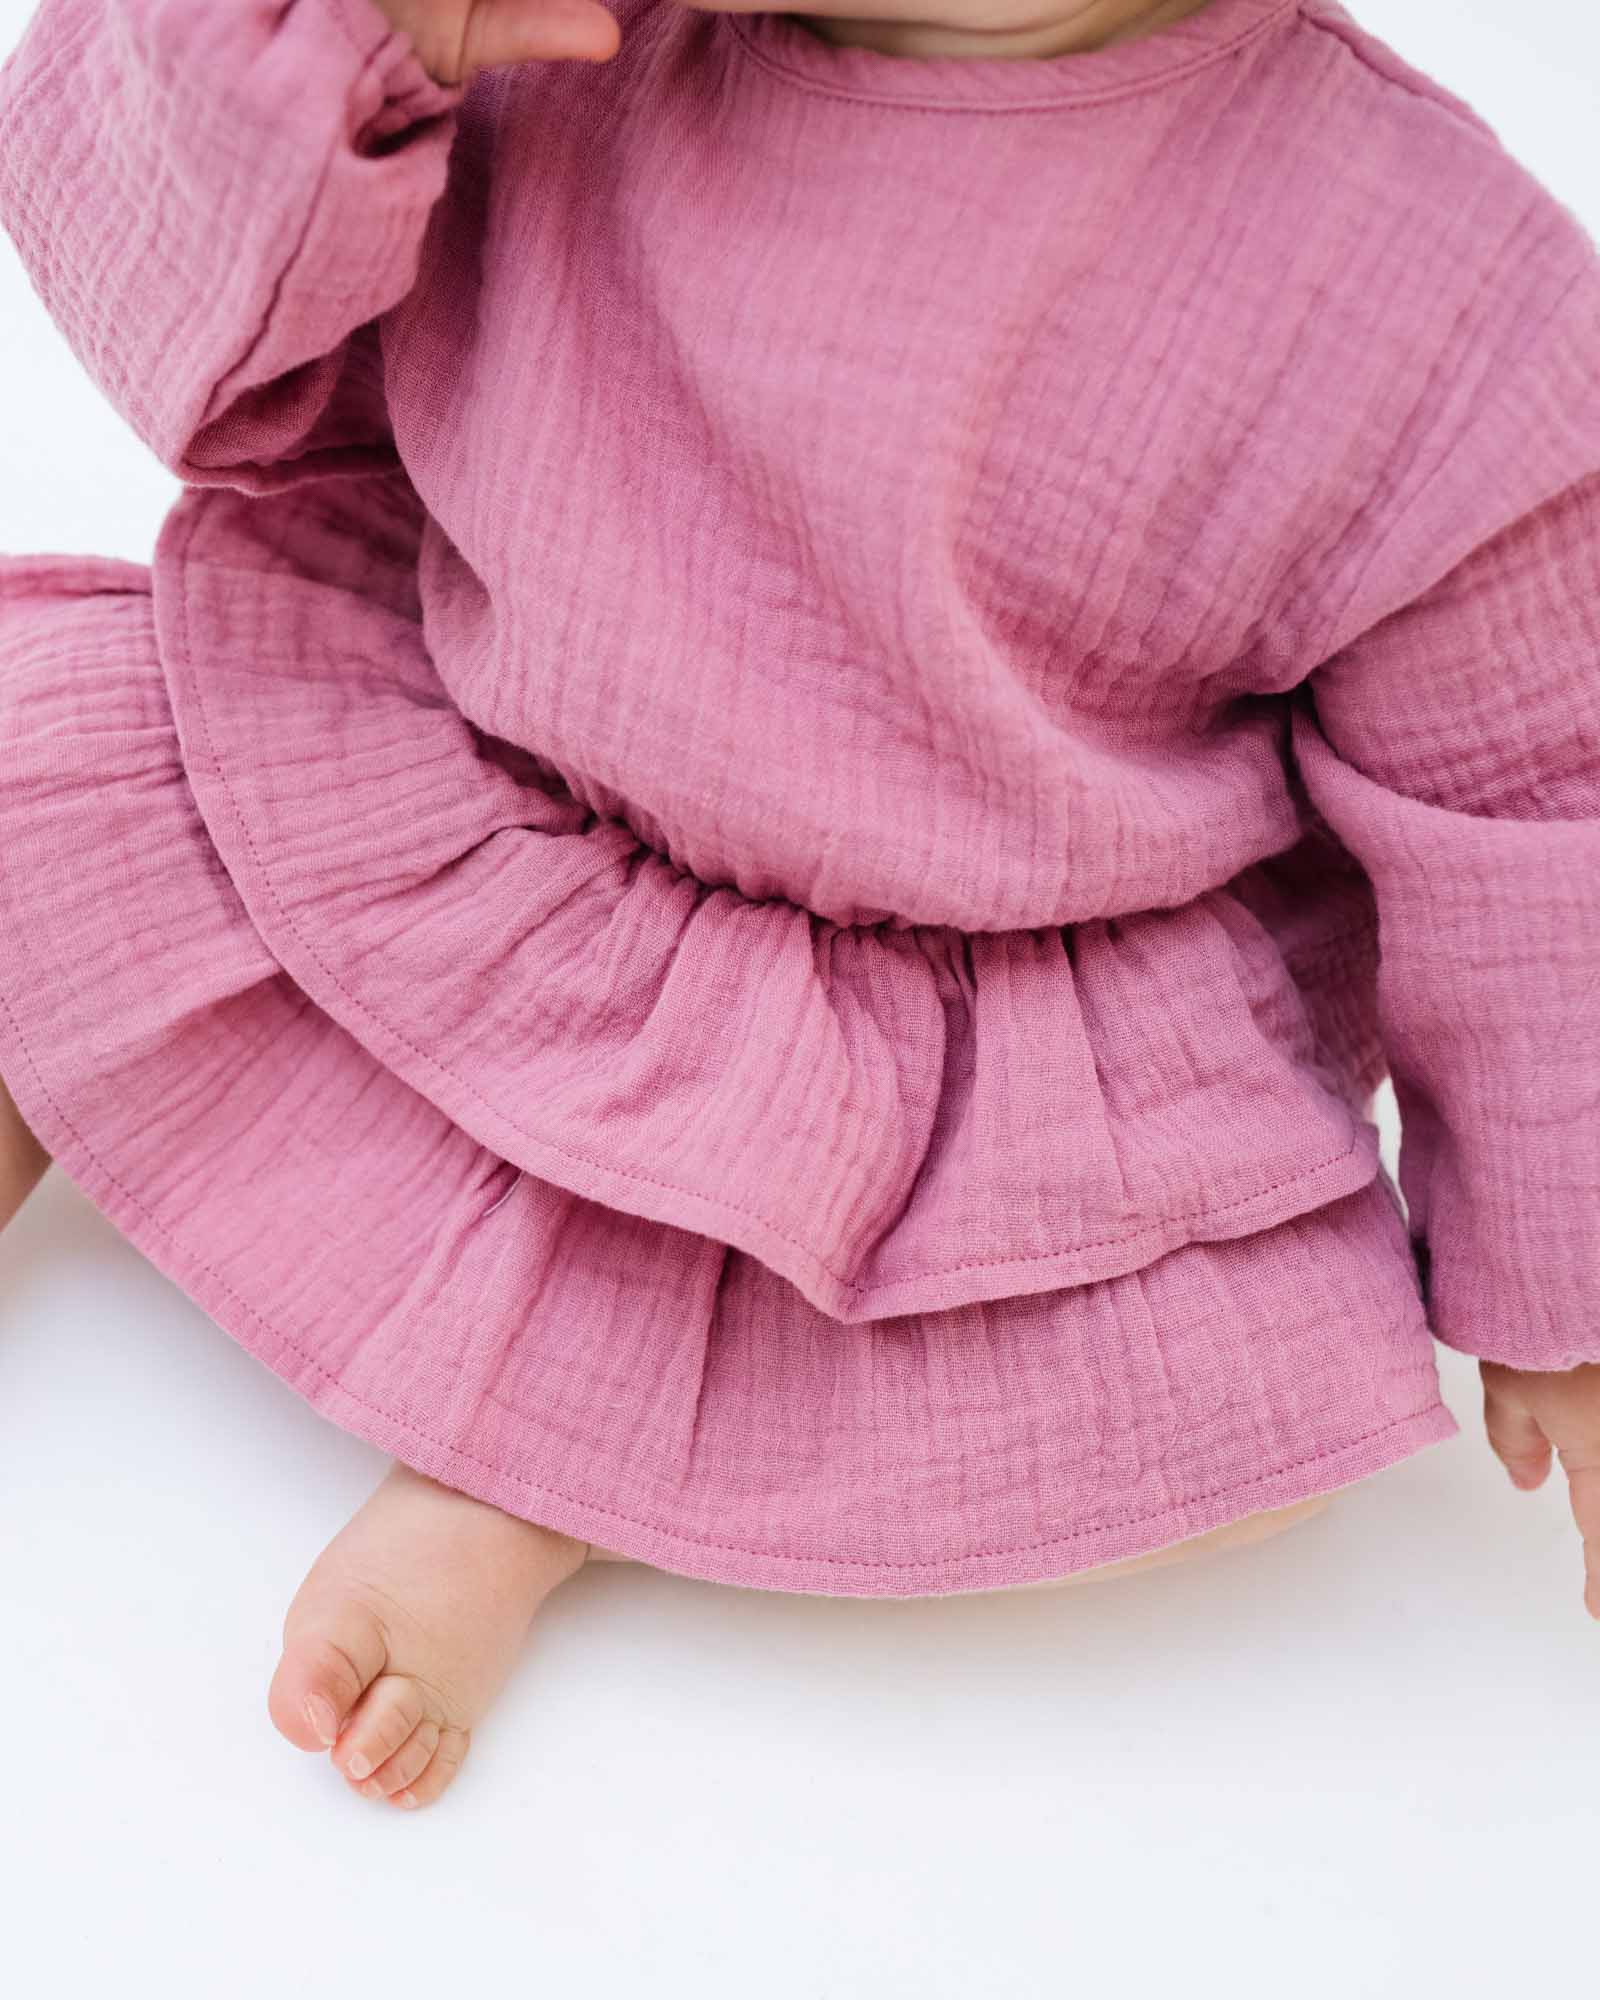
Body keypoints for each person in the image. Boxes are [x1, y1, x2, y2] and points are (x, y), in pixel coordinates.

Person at [0, 0, 1596, 1814]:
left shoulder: (1434, 297)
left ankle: (545, 1476)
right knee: (36, 764)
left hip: (924, 1037)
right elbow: (166, 328)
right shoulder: (573, 30)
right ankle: (50, 1058)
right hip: (458, 776)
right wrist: (312, 53)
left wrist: (1569, 1271)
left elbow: (1542, 799)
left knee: (1228, 1405)